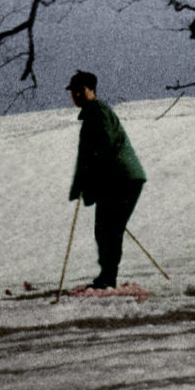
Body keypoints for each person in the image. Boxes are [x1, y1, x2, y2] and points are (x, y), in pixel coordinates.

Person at [66, 70, 147, 289]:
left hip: (120, 178)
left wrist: (87, 184)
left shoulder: (98, 114)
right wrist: (80, 186)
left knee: (108, 229)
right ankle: (107, 275)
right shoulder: (93, 114)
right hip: (119, 178)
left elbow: (102, 149)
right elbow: (87, 157)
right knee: (107, 228)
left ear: (90, 90)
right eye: (73, 92)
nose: (75, 95)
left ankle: (108, 278)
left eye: (79, 90)